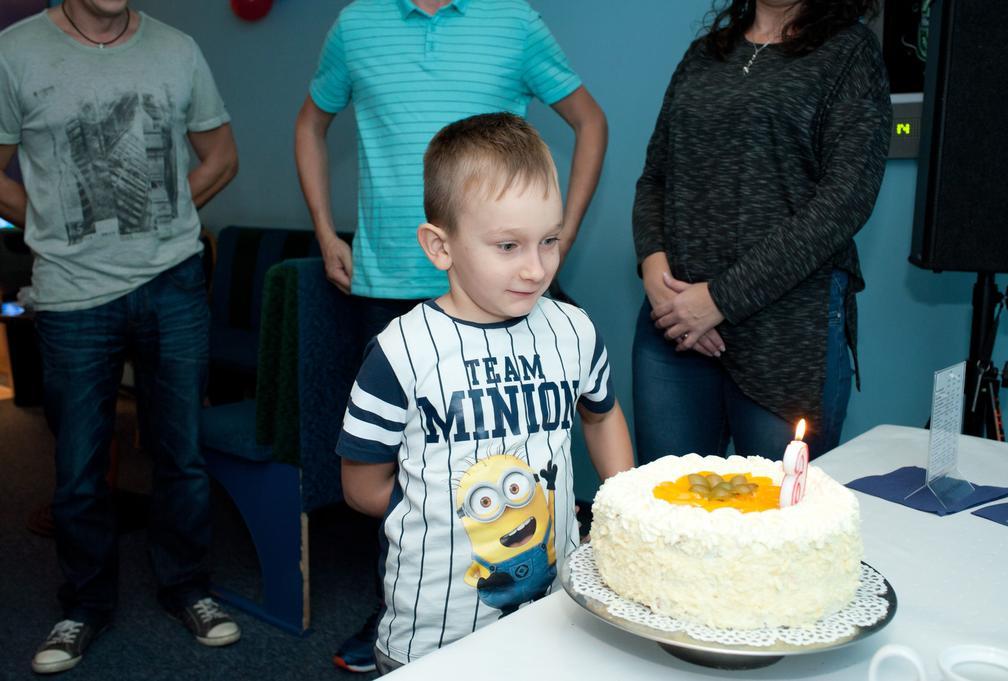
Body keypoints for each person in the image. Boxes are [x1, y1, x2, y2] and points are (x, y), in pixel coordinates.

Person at [292, 0, 607, 670]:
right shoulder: (355, 25)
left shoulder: (514, 21)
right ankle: (409, 610)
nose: (542, 254)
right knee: (417, 459)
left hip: (504, 292)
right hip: (387, 283)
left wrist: (555, 237)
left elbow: (589, 120)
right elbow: (310, 122)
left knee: (516, 444)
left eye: (546, 242)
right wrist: (325, 229)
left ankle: (530, 607)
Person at [337, 112, 633, 674]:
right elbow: (361, 486)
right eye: (507, 245)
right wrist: (440, 512)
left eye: (550, 240)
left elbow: (601, 414)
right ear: (440, 247)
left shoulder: (574, 330)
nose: (536, 268)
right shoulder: (402, 353)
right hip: (434, 630)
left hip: (557, 611)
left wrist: (617, 500)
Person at [0, 0, 240, 674]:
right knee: (79, 470)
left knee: (183, 456)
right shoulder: (16, 53)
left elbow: (222, 155)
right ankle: (82, 605)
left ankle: (190, 589)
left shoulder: (178, 49)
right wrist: (50, 219)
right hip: (73, 295)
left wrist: (157, 212)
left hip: (173, 283)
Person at [631, 0, 891, 464]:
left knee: (777, 524)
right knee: (668, 518)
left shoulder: (849, 51)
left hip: (786, 334)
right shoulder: (704, 54)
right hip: (673, 324)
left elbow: (845, 200)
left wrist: (719, 300)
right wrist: (654, 270)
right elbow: (655, 177)